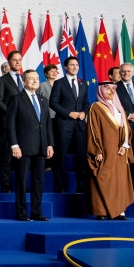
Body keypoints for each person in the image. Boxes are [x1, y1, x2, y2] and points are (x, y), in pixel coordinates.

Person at [7, 69, 55, 222]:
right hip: (23, 147)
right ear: (24, 81)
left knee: (39, 181)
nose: (35, 81)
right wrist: (14, 145)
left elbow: (47, 125)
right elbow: (10, 124)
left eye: (36, 78)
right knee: (22, 180)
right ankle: (21, 212)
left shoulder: (43, 100)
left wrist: (50, 144)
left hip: (41, 147)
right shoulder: (16, 99)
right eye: (31, 78)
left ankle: (36, 212)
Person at [86, 81, 134, 220]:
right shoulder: (96, 107)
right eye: (108, 89)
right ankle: (102, 211)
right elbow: (92, 130)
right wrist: (97, 151)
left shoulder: (119, 108)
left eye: (114, 89)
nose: (112, 92)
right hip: (104, 150)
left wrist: (125, 145)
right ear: (101, 91)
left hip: (119, 151)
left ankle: (119, 211)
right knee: (103, 179)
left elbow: (126, 128)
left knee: (119, 181)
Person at [49, 55, 90, 194]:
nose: (75, 67)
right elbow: (53, 103)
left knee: (81, 158)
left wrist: (84, 112)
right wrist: (68, 113)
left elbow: (86, 103)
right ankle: (59, 187)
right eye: (72, 65)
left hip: (80, 126)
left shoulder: (83, 83)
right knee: (60, 157)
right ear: (66, 67)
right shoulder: (59, 83)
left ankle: (82, 187)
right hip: (64, 125)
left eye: (76, 65)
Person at [0, 51, 24, 192]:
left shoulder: (25, 79)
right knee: (7, 158)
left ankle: (22, 186)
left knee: (23, 158)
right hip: (7, 124)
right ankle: (6, 186)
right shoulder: (1, 81)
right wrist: (12, 111)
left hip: (22, 125)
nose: (18, 62)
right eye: (15, 60)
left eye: (20, 60)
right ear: (9, 62)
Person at [116, 62, 134, 193]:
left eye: (128, 71)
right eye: (123, 71)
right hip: (122, 128)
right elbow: (112, 107)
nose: (126, 73)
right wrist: (127, 115)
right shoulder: (114, 88)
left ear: (133, 73)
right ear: (120, 73)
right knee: (121, 158)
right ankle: (122, 184)